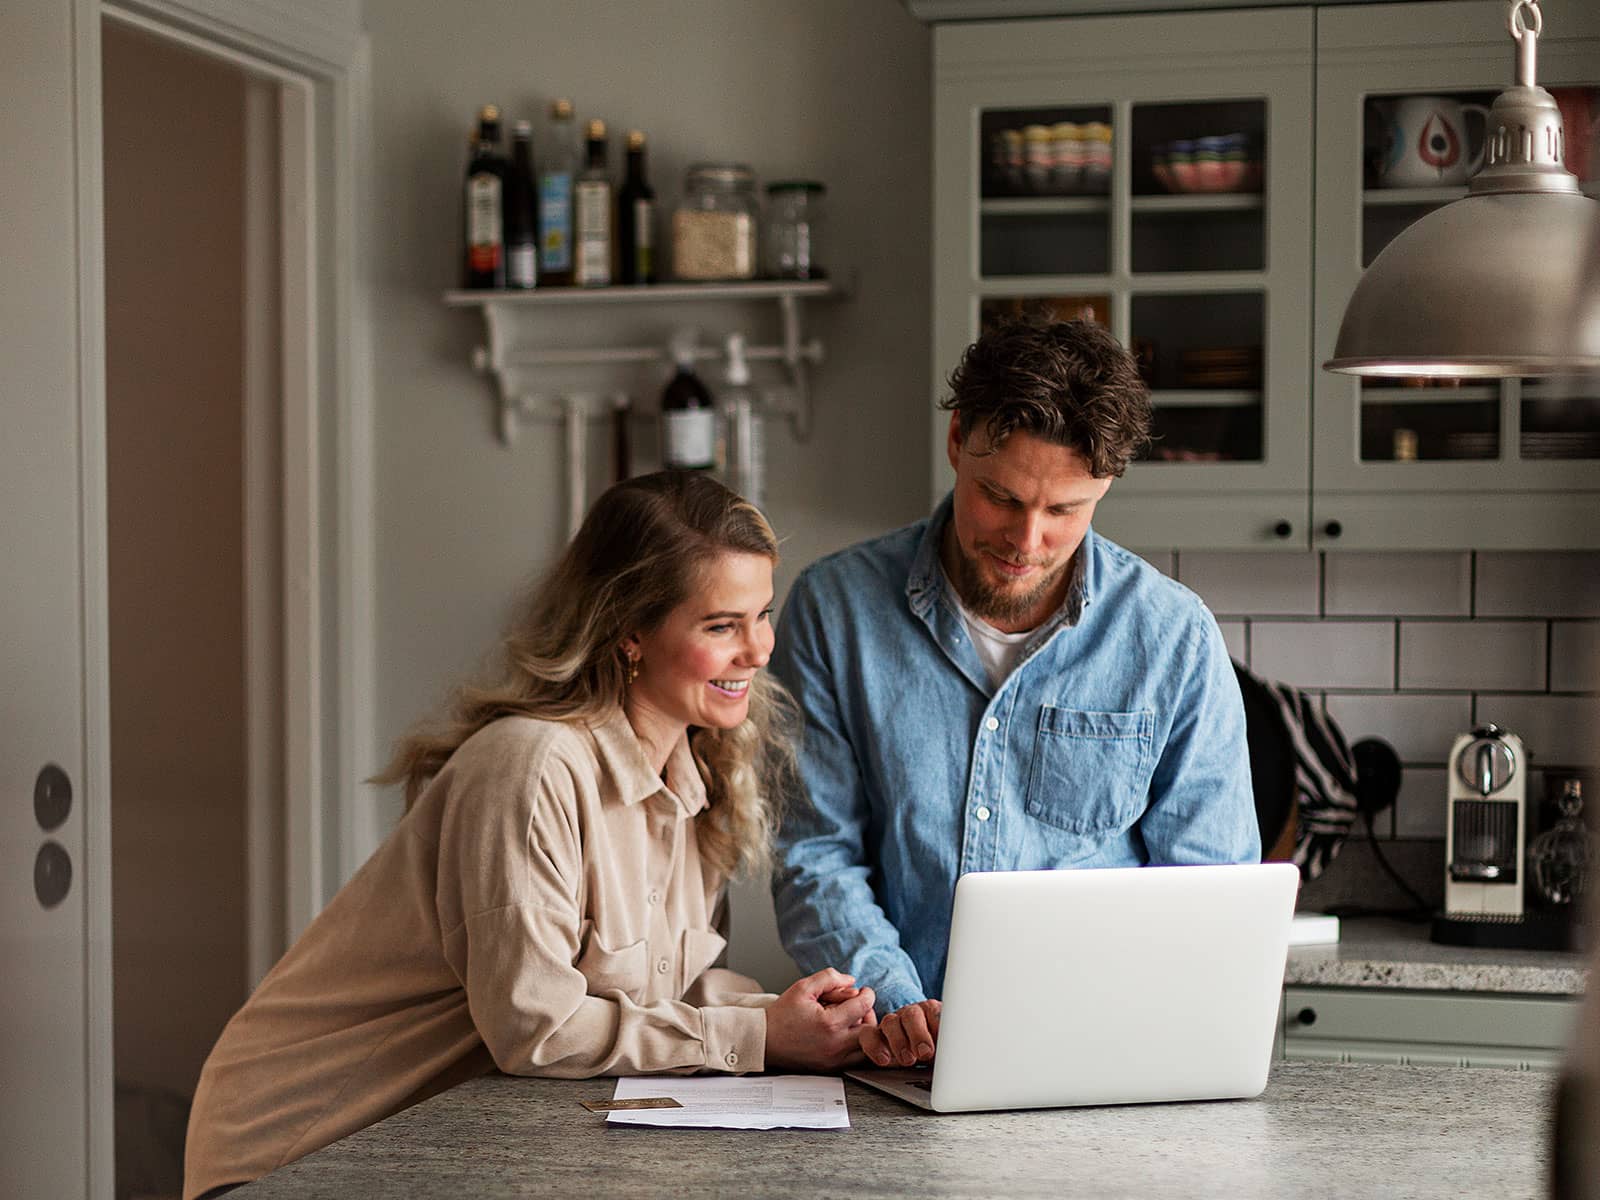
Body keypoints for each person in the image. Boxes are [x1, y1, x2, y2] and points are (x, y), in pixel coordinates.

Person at [183, 471, 876, 1199]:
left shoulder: (694, 780)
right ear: (630, 632)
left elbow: (664, 991)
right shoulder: (530, 768)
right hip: (298, 1151)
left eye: (761, 614)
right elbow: (538, 1030)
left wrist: (812, 1021)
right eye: (721, 625)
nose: (760, 650)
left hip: (438, 1144)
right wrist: (759, 1039)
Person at [769, 318, 1259, 1072]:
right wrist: (902, 1010)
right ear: (958, 438)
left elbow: (1211, 895)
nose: (1026, 541)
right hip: (892, 1062)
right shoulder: (834, 610)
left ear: (1106, 486)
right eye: (1000, 497)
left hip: (1103, 1060)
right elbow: (814, 853)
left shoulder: (1174, 639)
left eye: (1064, 510)